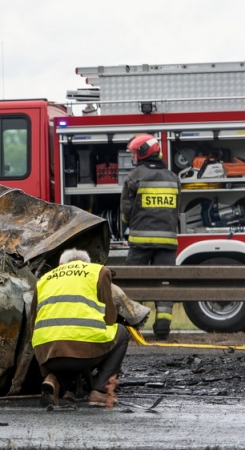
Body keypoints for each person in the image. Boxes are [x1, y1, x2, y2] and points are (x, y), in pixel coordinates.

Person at [32, 248, 129, 407]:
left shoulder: (44, 279)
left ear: (60, 264)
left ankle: (52, 379)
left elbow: (33, 324)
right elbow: (110, 318)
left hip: (47, 356)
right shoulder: (98, 271)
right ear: (86, 264)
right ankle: (100, 392)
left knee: (64, 340)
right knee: (121, 333)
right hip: (84, 352)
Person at [120, 134, 180, 341]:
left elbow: (126, 211)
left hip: (140, 242)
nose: (134, 157)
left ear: (144, 153)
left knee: (135, 284)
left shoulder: (135, 177)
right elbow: (175, 211)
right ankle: (163, 326)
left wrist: (128, 223)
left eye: (135, 153)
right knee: (164, 284)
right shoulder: (173, 178)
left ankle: (133, 327)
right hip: (168, 242)